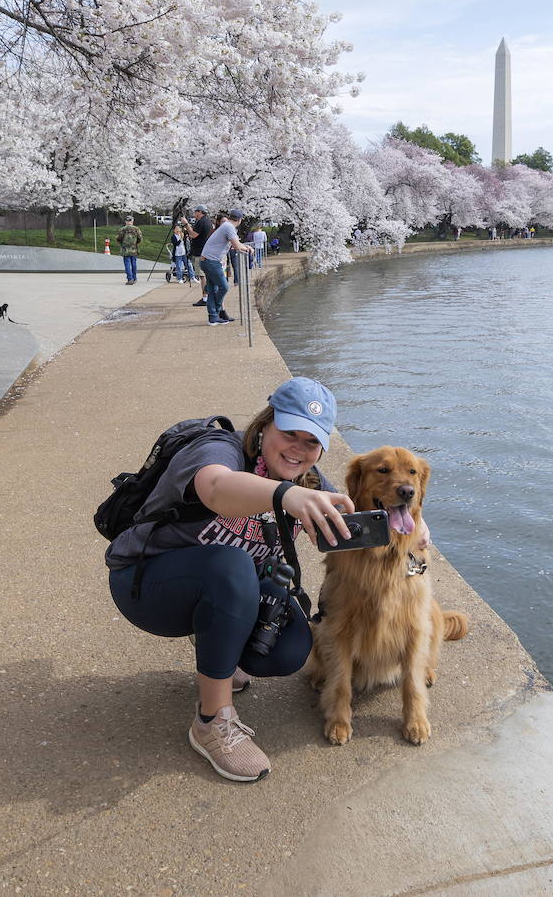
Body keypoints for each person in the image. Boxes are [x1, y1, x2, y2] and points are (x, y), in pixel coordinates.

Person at [104, 378, 355, 782]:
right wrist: (283, 496)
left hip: (221, 586)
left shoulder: (307, 479)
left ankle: (214, 637)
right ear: (265, 423)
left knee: (288, 649)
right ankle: (211, 722)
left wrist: (409, 526)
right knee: (232, 566)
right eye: (289, 433)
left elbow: (350, 525)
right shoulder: (220, 448)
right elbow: (217, 488)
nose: (298, 449)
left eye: (311, 442)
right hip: (147, 583)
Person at [199, 209, 252, 325]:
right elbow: (237, 246)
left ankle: (213, 317)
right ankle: (216, 310)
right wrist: (248, 248)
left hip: (207, 260)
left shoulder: (227, 226)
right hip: (212, 261)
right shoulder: (229, 227)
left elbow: (236, 243)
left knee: (213, 288)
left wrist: (246, 247)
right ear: (240, 220)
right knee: (224, 287)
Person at [188, 205, 214, 306]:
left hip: (200, 252)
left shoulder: (201, 222)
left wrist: (186, 224)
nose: (194, 214)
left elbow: (193, 234)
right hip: (206, 251)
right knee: (205, 276)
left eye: (195, 211)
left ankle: (205, 298)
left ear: (200, 212)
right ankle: (207, 296)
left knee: (202, 276)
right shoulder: (208, 221)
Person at [117, 215, 142, 285]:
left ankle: (130, 278)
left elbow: (119, 238)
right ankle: (134, 278)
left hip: (125, 250)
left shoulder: (122, 229)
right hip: (134, 249)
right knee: (134, 264)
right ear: (132, 221)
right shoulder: (137, 229)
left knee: (127, 264)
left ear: (126, 221)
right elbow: (140, 239)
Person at [169, 219, 195, 283]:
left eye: (179, 229)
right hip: (177, 254)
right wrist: (181, 238)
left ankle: (192, 277)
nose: (178, 230)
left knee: (188, 265)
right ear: (174, 230)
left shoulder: (182, 234)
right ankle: (179, 278)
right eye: (176, 229)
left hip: (183, 253)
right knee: (179, 266)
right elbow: (176, 244)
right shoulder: (173, 237)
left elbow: (187, 238)